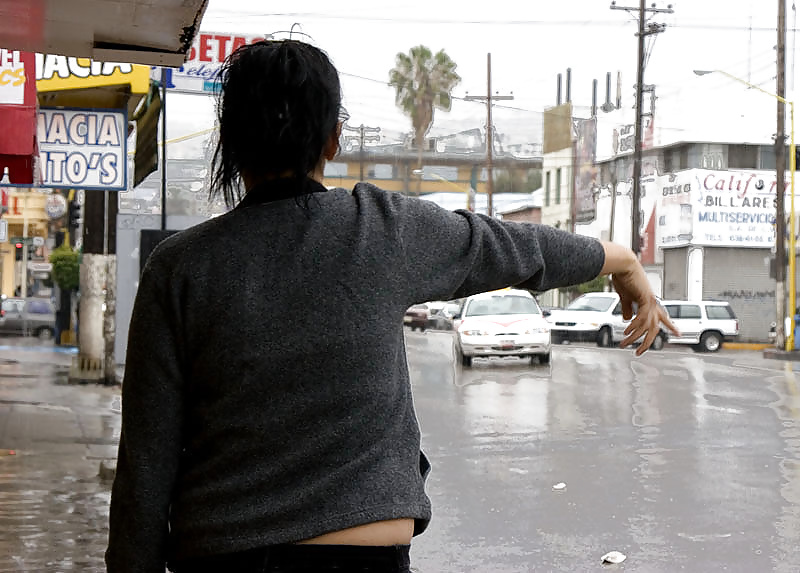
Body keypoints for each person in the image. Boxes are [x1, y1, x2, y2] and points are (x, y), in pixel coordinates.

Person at [105, 40, 677, 573]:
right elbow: (516, 247)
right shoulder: (380, 229)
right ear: (332, 138)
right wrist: (621, 259)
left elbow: (145, 464)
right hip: (363, 553)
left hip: (221, 554)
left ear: (230, 141)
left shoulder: (178, 268)